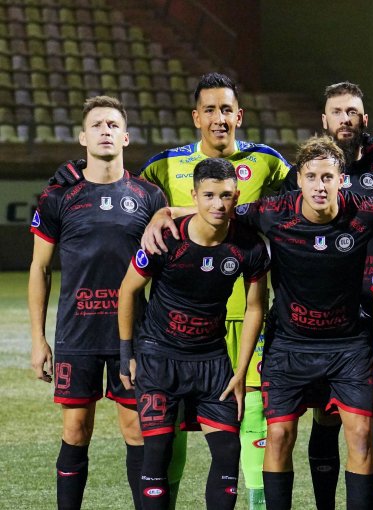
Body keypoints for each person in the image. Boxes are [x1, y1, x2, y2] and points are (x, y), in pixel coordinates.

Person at [52, 72, 291, 509]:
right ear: (196, 116)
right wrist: (74, 175)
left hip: (244, 318)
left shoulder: (268, 161)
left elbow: (301, 201)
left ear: (239, 114)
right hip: (175, 330)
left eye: (227, 110)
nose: (219, 118)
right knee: (167, 438)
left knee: (253, 424)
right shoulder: (165, 164)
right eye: (210, 110)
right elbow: (127, 195)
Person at [28, 95, 167, 509]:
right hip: (78, 334)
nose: (104, 131)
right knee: (74, 430)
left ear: (125, 136)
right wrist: (39, 340)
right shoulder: (58, 197)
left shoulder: (149, 196)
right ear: (82, 136)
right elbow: (40, 268)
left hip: (135, 335)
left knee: (136, 431)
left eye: (112, 124)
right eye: (97, 125)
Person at [280, 81, 373, 510]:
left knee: (366, 415)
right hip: (323, 307)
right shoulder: (305, 169)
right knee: (323, 413)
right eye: (337, 111)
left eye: (352, 111)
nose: (345, 119)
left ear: (364, 118)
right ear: (325, 119)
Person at [117, 158, 269, 510]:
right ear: (194, 195)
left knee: (229, 449)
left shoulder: (250, 247)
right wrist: (128, 354)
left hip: (212, 360)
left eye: (227, 196)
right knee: (157, 450)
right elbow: (127, 291)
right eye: (210, 195)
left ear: (237, 195)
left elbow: (255, 308)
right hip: (160, 358)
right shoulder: (166, 238)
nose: (218, 204)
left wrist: (241, 371)